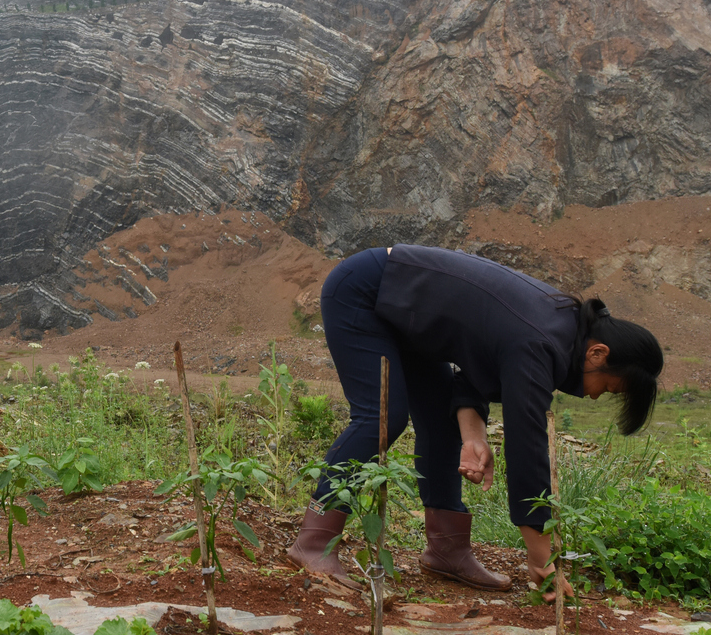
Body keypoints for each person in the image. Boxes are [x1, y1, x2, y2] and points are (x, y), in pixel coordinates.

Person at [284, 244, 663, 594]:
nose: (597, 396)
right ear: (597, 354)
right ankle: (314, 540)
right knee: (381, 416)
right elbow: (527, 448)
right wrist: (542, 557)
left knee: (438, 419)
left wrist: (473, 436)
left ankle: (446, 552)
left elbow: (472, 366)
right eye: (610, 388)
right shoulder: (541, 341)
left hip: (411, 315)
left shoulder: (558, 332)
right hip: (366, 292)